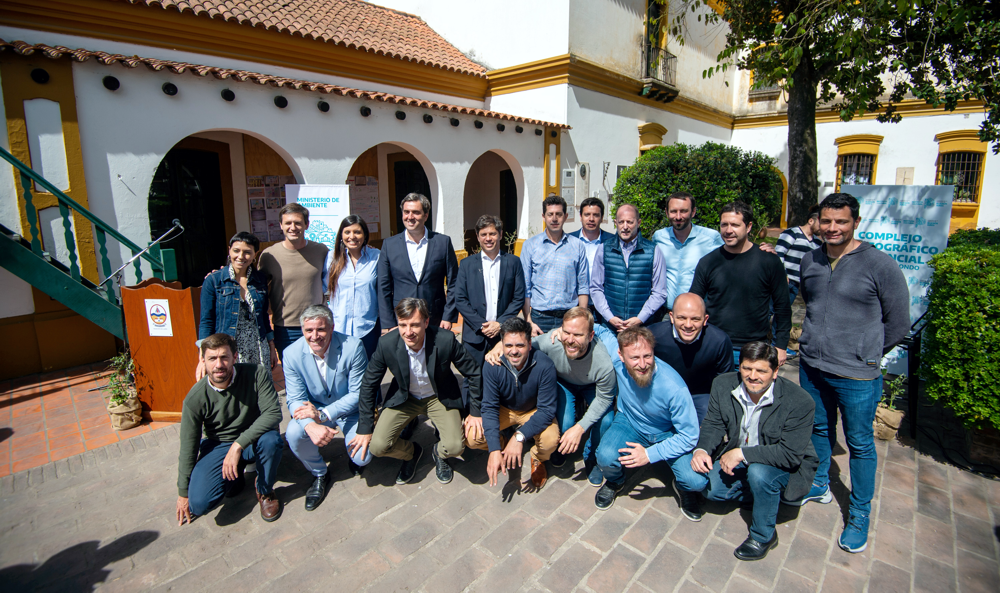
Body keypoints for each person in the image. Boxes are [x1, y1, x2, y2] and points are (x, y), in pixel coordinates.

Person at [796, 193, 909, 554]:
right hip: (812, 366)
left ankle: (859, 513)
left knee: (859, 444)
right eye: (826, 221)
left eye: (841, 222)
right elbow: (810, 303)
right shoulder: (810, 260)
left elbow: (898, 324)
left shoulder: (880, 265)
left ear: (855, 222)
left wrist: (866, 354)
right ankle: (819, 483)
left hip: (857, 376)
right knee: (818, 428)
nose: (832, 228)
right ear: (818, 221)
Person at [677, 342, 818, 561]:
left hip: (782, 464)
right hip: (740, 458)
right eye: (746, 368)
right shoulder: (723, 384)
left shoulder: (799, 401)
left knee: (760, 474)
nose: (753, 376)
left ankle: (764, 535)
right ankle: (760, 495)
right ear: (739, 366)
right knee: (711, 492)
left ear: (775, 372)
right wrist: (702, 450)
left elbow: (790, 454)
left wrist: (742, 453)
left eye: (761, 370)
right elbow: (714, 423)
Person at [353, 298, 482, 485]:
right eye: (402, 325)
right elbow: (368, 384)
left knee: (455, 447)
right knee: (378, 446)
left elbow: (474, 372)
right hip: (406, 398)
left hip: (439, 397)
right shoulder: (386, 344)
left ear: (426, 322)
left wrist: (475, 412)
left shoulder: (445, 340)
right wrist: (364, 427)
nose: (408, 332)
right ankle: (412, 453)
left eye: (414, 325)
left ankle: (438, 453)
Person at [490, 307, 618, 485]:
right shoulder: (553, 341)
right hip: (564, 383)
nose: (570, 340)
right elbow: (523, 344)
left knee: (605, 420)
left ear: (590, 336)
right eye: (567, 332)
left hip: (591, 385)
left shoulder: (603, 362)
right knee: (564, 425)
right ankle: (558, 447)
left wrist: (580, 428)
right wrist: (499, 346)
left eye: (578, 335)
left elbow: (605, 398)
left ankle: (592, 455)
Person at [175, 333, 284, 525]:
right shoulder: (195, 398)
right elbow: (188, 447)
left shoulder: (255, 374)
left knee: (271, 440)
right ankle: (235, 475)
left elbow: (273, 414)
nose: (219, 364)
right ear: (203, 361)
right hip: (218, 445)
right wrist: (183, 492)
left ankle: (265, 490)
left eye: (224, 357)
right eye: (212, 358)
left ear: (235, 357)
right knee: (199, 504)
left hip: (252, 439)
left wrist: (238, 445)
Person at [592, 325, 700, 511]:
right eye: (634, 358)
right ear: (621, 355)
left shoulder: (675, 387)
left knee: (696, 481)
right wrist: (564, 329)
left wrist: (649, 455)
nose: (642, 364)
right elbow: (600, 331)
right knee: (604, 457)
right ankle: (616, 481)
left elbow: (689, 436)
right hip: (630, 422)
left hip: (667, 432)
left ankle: (681, 486)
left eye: (647, 356)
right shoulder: (618, 361)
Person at [282, 305, 372, 511]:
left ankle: (353, 459)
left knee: (363, 457)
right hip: (312, 410)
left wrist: (323, 415)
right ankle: (319, 473)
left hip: (348, 409)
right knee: (294, 434)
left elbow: (359, 394)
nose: (315, 336)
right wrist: (310, 426)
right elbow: (295, 399)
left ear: (331, 328)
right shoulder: (291, 354)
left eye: (321, 329)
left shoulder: (353, 346)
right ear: (303, 330)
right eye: (309, 331)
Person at [690, 201, 791, 367]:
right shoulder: (708, 262)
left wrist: (781, 345)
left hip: (754, 348)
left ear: (749, 226)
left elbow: (783, 306)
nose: (728, 230)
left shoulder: (769, 261)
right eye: (724, 225)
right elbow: (694, 301)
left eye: (735, 225)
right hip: (715, 345)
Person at [468, 317, 559, 490]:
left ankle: (537, 456)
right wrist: (494, 449)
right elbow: (489, 407)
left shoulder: (544, 365)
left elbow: (547, 410)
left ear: (530, 345)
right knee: (473, 437)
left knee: (550, 440)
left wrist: (519, 437)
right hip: (505, 410)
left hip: (533, 410)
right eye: (508, 345)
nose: (514, 351)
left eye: (520, 345)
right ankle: (503, 446)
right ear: (501, 345)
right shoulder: (493, 365)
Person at [196, 232, 277, 380]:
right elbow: (206, 321)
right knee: (235, 389)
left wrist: (271, 346)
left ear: (255, 254)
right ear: (229, 250)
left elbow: (264, 316)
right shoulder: (214, 281)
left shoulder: (260, 279)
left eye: (247, 252)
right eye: (236, 250)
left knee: (261, 390)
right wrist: (203, 357)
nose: (241, 256)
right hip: (229, 347)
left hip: (258, 346)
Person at [454, 215, 525, 381]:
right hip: (475, 336)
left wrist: (500, 324)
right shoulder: (466, 265)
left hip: (503, 335)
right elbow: (460, 299)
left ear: (500, 235)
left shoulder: (514, 263)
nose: (488, 238)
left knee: (504, 379)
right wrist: (482, 325)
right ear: (478, 237)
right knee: (473, 382)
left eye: (492, 234)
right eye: (484, 234)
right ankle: (472, 409)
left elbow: (518, 297)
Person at [646, 293, 734, 424]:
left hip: (700, 395)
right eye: (682, 318)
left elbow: (724, 382)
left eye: (695, 319)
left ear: (705, 319)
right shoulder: (653, 335)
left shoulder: (719, 341)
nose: (688, 325)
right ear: (671, 317)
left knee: (709, 424)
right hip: (662, 392)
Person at [377, 193, 459, 332]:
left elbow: (454, 282)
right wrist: (388, 323)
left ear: (426, 216)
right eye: (406, 212)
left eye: (416, 212)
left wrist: (448, 316)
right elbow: (383, 287)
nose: (410, 217)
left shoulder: (442, 242)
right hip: (402, 321)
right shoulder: (389, 245)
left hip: (435, 318)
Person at [258, 203, 329, 361]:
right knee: (292, 375)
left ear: (306, 225)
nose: (293, 227)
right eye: (288, 223)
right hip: (286, 328)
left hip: (317, 324)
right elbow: (254, 283)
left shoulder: (321, 251)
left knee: (321, 372)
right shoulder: (269, 255)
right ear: (281, 225)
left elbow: (338, 272)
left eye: (298, 222)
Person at [590, 203, 668, 331]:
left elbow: (659, 292)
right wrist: (610, 317)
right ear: (615, 223)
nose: (625, 227)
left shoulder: (653, 251)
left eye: (630, 222)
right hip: (611, 326)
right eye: (621, 222)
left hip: (643, 327)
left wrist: (640, 319)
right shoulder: (604, 249)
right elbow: (596, 288)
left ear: (638, 222)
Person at [520, 195, 590, 335]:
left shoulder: (577, 246)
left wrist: (582, 318)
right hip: (540, 318)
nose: (554, 218)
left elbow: (583, 286)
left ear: (565, 216)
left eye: (558, 214)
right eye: (550, 214)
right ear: (543, 216)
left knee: (568, 356)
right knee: (539, 356)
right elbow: (525, 286)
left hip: (570, 316)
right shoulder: (530, 245)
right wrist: (528, 320)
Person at [652, 192, 724, 311]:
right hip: (665, 312)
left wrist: (763, 250)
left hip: (697, 313)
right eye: (673, 211)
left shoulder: (711, 238)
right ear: (666, 212)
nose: (678, 216)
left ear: (693, 212)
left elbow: (732, 258)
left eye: (684, 211)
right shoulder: (659, 237)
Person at [774, 204, 823, 355]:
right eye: (821, 223)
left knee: (783, 314)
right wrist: (783, 275)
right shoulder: (792, 233)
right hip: (783, 282)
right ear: (811, 221)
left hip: (797, 284)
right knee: (775, 313)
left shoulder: (818, 243)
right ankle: (773, 345)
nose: (823, 228)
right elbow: (777, 254)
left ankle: (777, 344)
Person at [569, 196, 615, 277]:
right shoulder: (569, 240)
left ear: (602, 218)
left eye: (596, 215)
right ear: (580, 217)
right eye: (587, 215)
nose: (591, 219)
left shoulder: (613, 241)